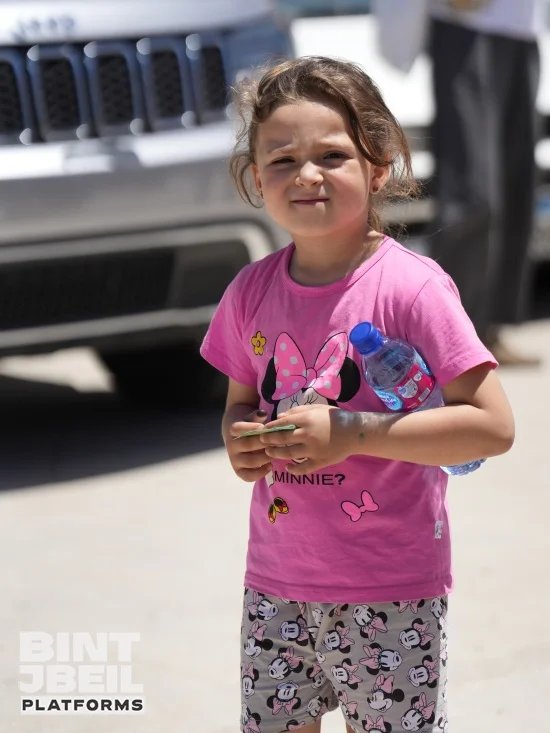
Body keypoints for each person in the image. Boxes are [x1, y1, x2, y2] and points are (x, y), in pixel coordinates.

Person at [200, 56, 515, 733]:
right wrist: (241, 441)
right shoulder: (250, 292)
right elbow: (239, 406)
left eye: (332, 155)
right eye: (282, 160)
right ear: (256, 178)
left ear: (378, 168)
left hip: (391, 588)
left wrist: (353, 432)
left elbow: (492, 427)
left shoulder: (412, 288)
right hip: (277, 583)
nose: (307, 175)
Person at [374, 0, 544, 365]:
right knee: (472, 197)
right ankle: (443, 336)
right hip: (465, 26)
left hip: (522, 28)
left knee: (514, 192)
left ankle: (486, 333)